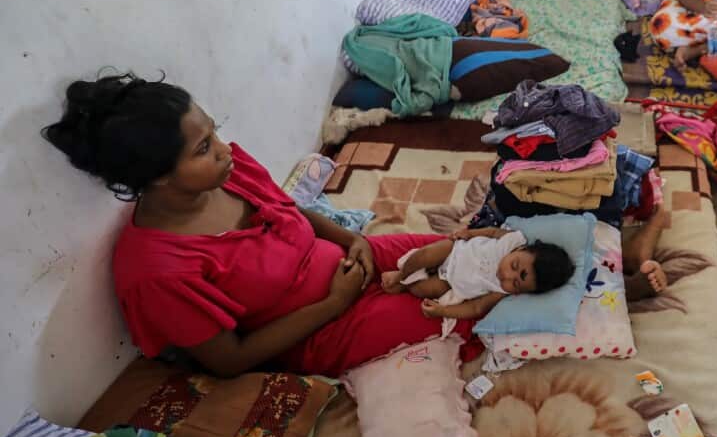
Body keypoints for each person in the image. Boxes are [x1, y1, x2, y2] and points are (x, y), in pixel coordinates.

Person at [42, 73, 477, 378]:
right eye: (203, 148)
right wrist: (334, 304)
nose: (224, 150)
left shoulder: (227, 173)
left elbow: (287, 210)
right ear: (157, 175)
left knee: (471, 253)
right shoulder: (156, 272)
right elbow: (230, 361)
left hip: (349, 263)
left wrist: (352, 238)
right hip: (323, 328)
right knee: (467, 309)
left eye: (214, 133)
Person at [382, 227, 574, 320]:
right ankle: (400, 275)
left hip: (451, 283)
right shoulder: (512, 240)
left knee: (421, 289)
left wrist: (442, 311)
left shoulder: (500, 291)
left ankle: (406, 286)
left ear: (519, 293)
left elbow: (476, 309)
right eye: (514, 266)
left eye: (515, 283)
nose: (506, 276)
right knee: (424, 255)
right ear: (521, 249)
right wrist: (470, 233)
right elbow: (491, 232)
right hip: (454, 251)